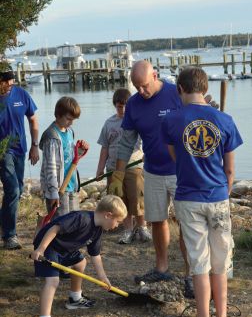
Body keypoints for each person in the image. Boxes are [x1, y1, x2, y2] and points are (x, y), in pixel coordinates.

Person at [162, 67, 243, 317]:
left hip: (189, 197)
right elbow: (230, 169)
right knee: (220, 264)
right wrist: (223, 191)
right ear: (205, 87)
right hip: (218, 196)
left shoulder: (172, 121)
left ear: (180, 90)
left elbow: (176, 158)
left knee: (199, 263)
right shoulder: (225, 120)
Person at [108, 60, 194, 298]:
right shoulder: (134, 105)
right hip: (153, 171)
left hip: (181, 171)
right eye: (137, 87)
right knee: (157, 220)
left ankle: (189, 274)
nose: (142, 91)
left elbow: (197, 116)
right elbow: (126, 143)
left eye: (145, 85)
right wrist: (118, 173)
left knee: (187, 224)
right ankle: (162, 267)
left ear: (155, 76)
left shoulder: (176, 93)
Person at [31, 194, 127, 317]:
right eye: (118, 221)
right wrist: (40, 249)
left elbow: (95, 255)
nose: (117, 225)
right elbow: (54, 229)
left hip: (64, 250)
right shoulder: (81, 218)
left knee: (81, 262)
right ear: (108, 215)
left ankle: (75, 298)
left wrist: (103, 277)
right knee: (53, 281)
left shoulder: (97, 230)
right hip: (49, 247)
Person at [96, 88, 151, 244]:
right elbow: (104, 147)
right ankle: (128, 230)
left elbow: (147, 140)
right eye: (120, 106)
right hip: (113, 168)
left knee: (137, 198)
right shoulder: (109, 123)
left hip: (134, 166)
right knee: (120, 200)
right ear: (115, 105)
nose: (123, 109)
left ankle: (142, 228)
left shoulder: (137, 121)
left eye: (126, 106)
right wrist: (100, 168)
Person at [0, 64, 39, 250]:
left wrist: (34, 146)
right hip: (2, 152)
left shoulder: (21, 94)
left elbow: (33, 119)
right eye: (6, 80)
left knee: (17, 189)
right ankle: (10, 235)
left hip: (20, 150)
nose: (10, 83)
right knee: (13, 189)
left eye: (11, 79)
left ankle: (5, 226)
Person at [39, 96, 89, 218]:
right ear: (58, 115)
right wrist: (52, 193)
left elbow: (70, 157)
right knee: (61, 223)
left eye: (73, 120)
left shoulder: (69, 132)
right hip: (59, 188)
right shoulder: (52, 137)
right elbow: (50, 167)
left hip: (71, 185)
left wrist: (80, 150)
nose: (71, 122)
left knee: (73, 221)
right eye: (68, 119)